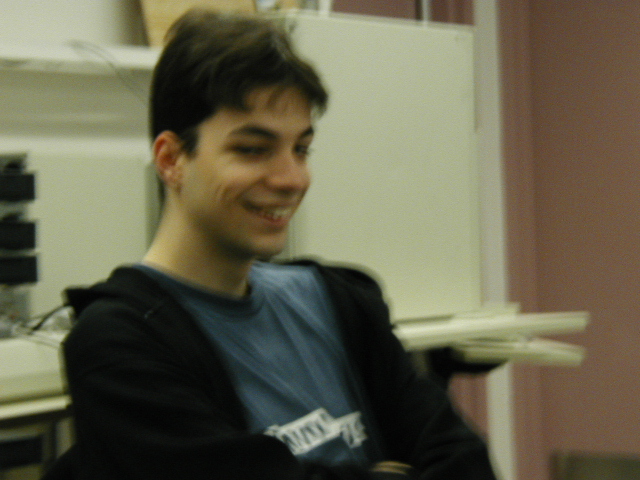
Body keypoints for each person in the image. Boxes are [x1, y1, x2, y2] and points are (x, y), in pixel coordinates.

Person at [58, 9, 498, 480]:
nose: (292, 179)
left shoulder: (339, 303)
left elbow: (465, 463)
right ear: (171, 159)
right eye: (252, 149)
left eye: (301, 149)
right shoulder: (120, 345)